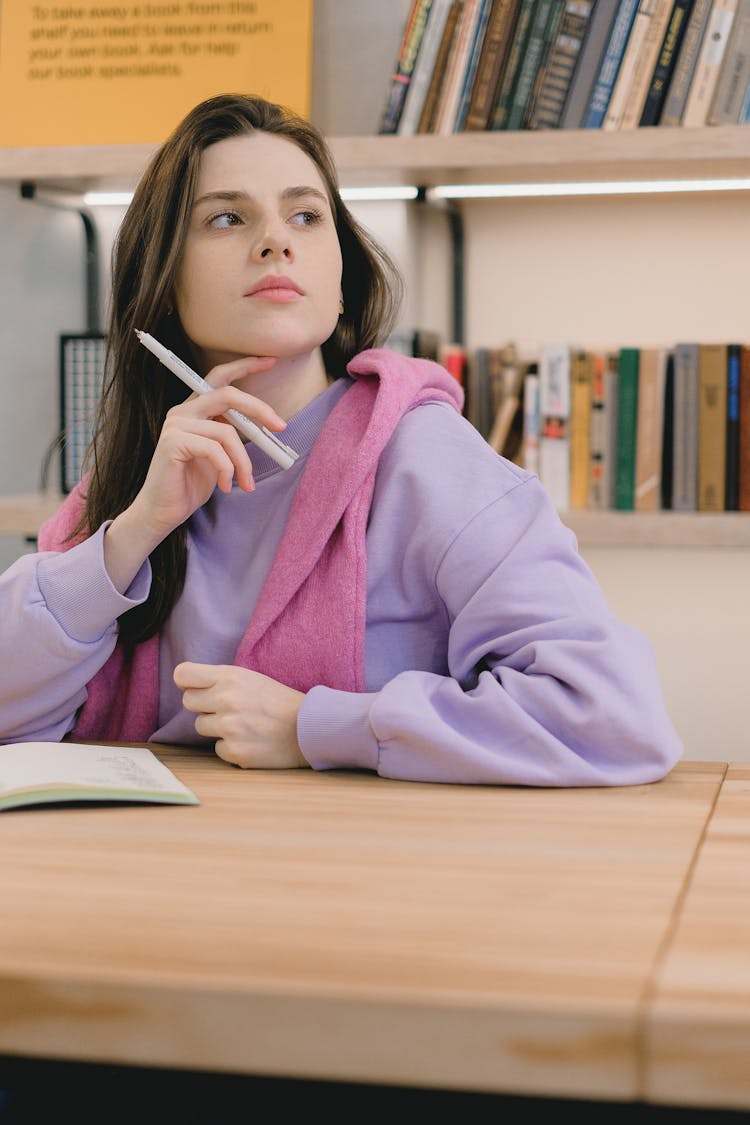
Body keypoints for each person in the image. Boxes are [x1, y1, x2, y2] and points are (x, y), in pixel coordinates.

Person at [0, 92, 682, 785]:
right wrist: (135, 532)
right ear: (165, 282)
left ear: (342, 282)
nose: (275, 239)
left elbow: (614, 715)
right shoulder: (142, 480)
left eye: (305, 214)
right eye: (227, 217)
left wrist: (316, 726)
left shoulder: (425, 458)